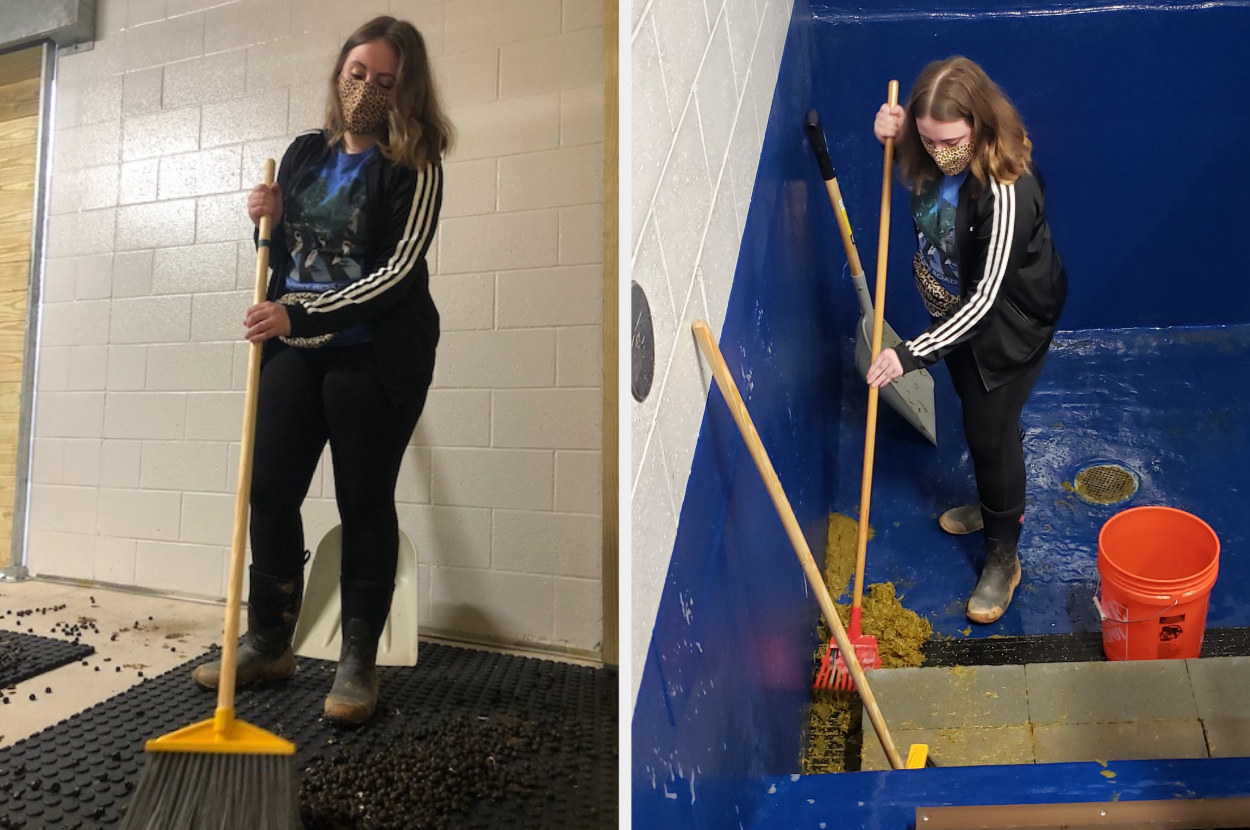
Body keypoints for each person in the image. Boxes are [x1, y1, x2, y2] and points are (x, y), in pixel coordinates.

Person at [191, 15, 452, 725]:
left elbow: (398, 274)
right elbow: (282, 261)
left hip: (374, 355)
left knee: (363, 502)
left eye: (386, 81)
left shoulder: (415, 166)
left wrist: (298, 315)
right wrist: (264, 222)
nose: (367, 88)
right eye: (358, 73)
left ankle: (357, 663)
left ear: (408, 91)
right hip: (295, 350)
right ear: (340, 71)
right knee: (269, 491)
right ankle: (270, 642)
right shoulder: (305, 153)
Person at [866, 56, 1066, 625]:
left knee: (989, 432)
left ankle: (1003, 556)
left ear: (978, 124)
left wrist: (908, 354)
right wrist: (893, 131)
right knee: (974, 411)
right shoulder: (930, 146)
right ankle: (990, 505)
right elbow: (915, 140)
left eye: (949, 140)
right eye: (927, 139)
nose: (938, 152)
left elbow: (983, 306)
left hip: (1007, 326)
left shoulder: (1006, 192)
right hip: (953, 319)